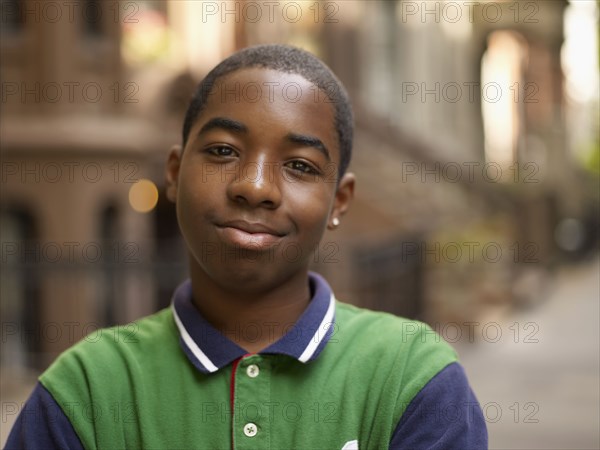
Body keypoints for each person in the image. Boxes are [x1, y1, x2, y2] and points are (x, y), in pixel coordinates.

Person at [6, 44, 487, 449]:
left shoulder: (412, 379)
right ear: (173, 173)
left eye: (299, 165)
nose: (255, 187)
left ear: (339, 201)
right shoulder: (86, 390)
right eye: (222, 151)